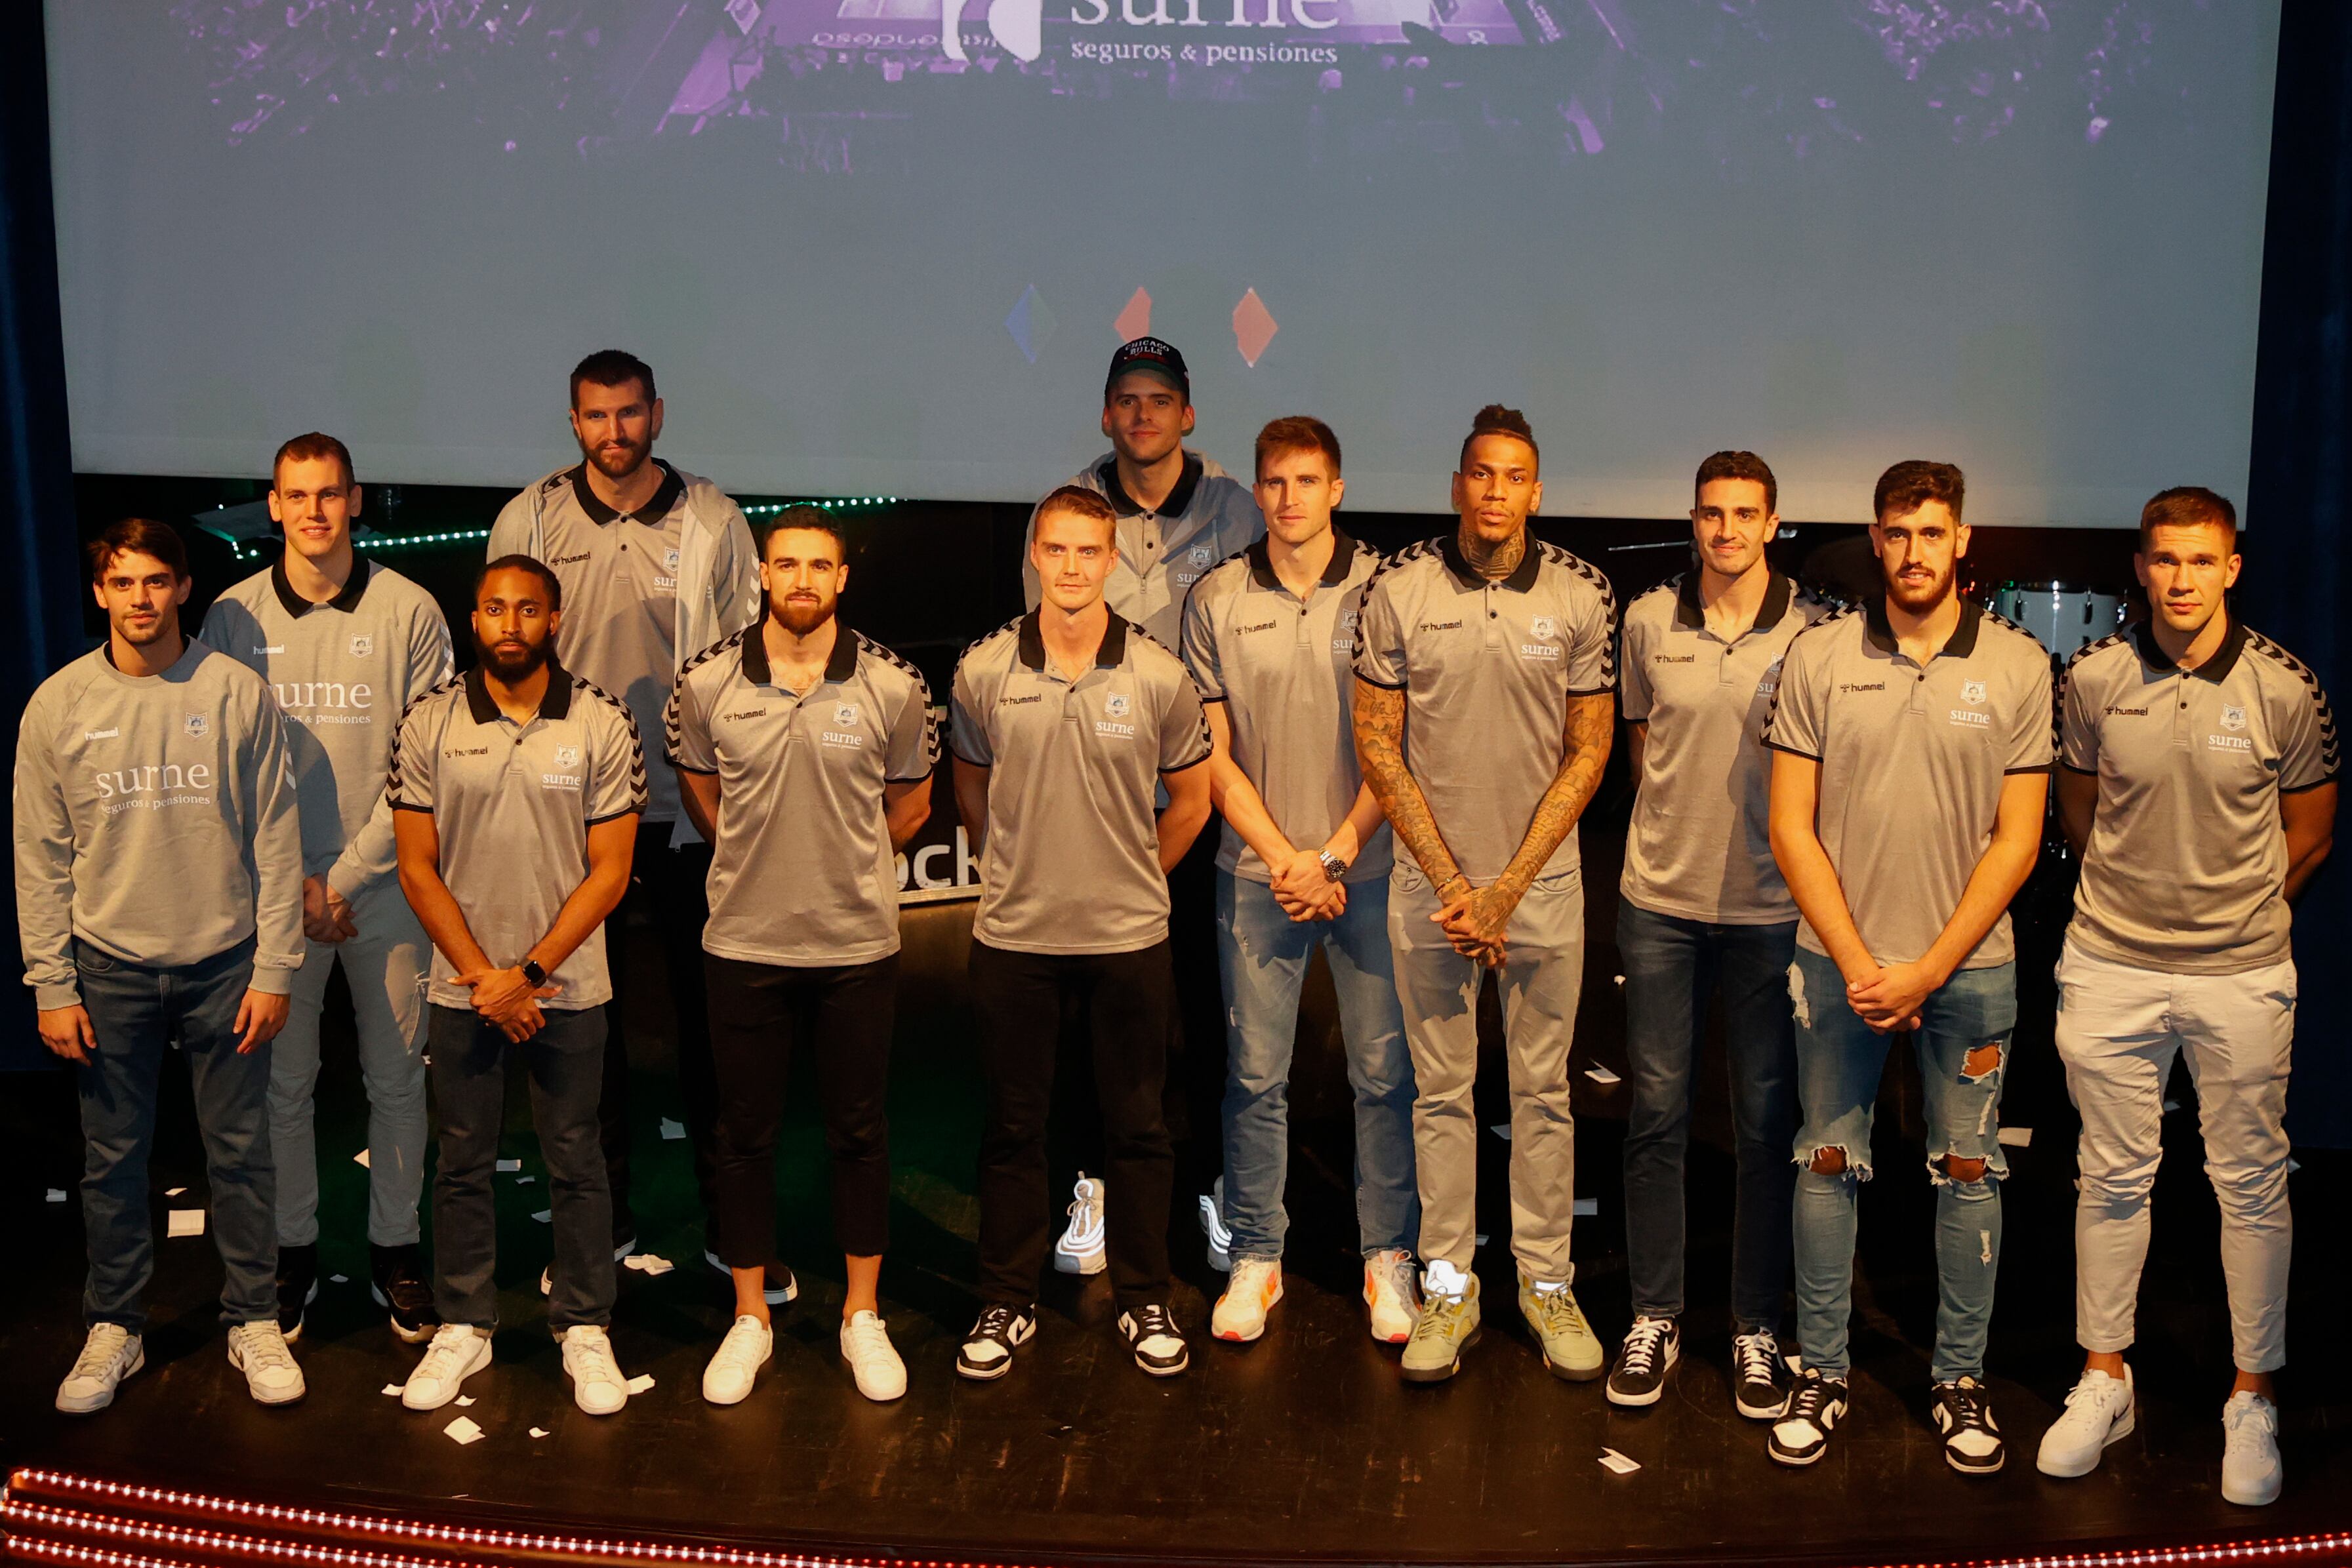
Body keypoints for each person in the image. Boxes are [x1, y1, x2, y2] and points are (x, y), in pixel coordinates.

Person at [2035, 488, 2335, 1506]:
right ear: (2139, 566)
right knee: (2109, 1177)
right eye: (2163, 561)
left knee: (2248, 1182)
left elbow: (2311, 833)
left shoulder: (2285, 688)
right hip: (2109, 965)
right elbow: (2076, 806)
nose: (2179, 580)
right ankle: (2103, 1377)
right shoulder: (2093, 677)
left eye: (2199, 562)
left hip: (2240, 974)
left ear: (2231, 568)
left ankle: (2251, 1397)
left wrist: (2234, 919)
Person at [1762, 460, 2052, 1474]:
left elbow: (2016, 842)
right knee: (1826, 1161)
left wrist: (1924, 970)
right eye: (1896, 532)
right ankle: (1824, 1371)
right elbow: (1787, 826)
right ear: (1874, 540)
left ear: (1961, 540)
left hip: (1967, 973)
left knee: (1967, 1172)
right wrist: (1857, 961)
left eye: (1932, 533)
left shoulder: (2017, 667)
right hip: (1836, 970)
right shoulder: (1815, 656)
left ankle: (1957, 1380)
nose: (1914, 551)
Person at [1352, 405, 1617, 1386]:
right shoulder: (1399, 587)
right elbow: (1377, 740)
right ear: (1457, 485)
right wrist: (1458, 884)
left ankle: (1546, 1282)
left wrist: (1504, 889)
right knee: (1441, 1097)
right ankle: (1449, 1288)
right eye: (1479, 473)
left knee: (1543, 1095)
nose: (1495, 490)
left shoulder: (1583, 594)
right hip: (1431, 889)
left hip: (1539, 889)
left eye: (1513, 476)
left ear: (1534, 492)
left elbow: (1590, 751)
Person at [487, 350, 763, 1281]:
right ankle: (598, 1237)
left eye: (629, 414)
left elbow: (744, 666)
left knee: (709, 1031)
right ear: (573, 422)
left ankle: (734, 1237)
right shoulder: (527, 518)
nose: (614, 433)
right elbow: (501, 648)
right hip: (569, 814)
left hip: (686, 812)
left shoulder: (713, 518)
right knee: (578, 1036)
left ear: (658, 413)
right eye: (595, 417)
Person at [18, 518, 306, 1412]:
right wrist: (51, 983)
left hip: (226, 967)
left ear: (184, 589)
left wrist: (274, 968)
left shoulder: (236, 693)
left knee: (242, 1154)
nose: (139, 599)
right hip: (108, 971)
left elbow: (275, 836)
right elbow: (40, 854)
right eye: (122, 583)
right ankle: (116, 1326)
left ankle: (253, 1317)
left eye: (155, 582)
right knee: (113, 1161)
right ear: (98, 593)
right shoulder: (58, 704)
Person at [665, 508, 938, 1405]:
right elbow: (700, 792)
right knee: (744, 1137)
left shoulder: (894, 685)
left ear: (842, 579)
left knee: (858, 1132)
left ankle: (862, 1316)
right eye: (787, 565)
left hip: (855, 944)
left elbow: (910, 804)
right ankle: (752, 1319)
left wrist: (842, 866)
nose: (803, 582)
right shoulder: (704, 682)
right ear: (763, 575)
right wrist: (754, 858)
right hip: (743, 943)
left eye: (819, 567)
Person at [951, 486, 1213, 1380]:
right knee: (1014, 1128)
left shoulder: (1157, 673)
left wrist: (1133, 878)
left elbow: (1192, 801)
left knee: (1138, 1127)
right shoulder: (983, 669)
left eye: (1086, 553)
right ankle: (1006, 1300)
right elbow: (972, 789)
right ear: (1035, 554)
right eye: (1055, 551)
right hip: (1015, 940)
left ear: (1110, 562)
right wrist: (1021, 867)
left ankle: (1145, 1300)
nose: (1070, 569)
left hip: (1128, 939)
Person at [201, 433, 454, 1345]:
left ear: (354, 501)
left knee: (395, 1081)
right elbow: (221, 769)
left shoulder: (411, 610)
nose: (312, 511)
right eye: (295, 495)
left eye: (328, 494)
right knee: (284, 1086)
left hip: (384, 887)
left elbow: (423, 765)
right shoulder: (230, 619)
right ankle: (292, 1252)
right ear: (273, 505)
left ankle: (396, 1249)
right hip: (274, 899)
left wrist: (340, 878)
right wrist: (294, 885)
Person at [1021, 336, 1264, 1271]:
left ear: (1188, 415)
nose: (1142, 415)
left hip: (1199, 795)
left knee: (1197, 1010)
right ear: (1105, 415)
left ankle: (1206, 1184)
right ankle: (1091, 1185)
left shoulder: (1235, 509)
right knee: (1090, 1012)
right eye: (1125, 399)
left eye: (1159, 399)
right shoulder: (1068, 513)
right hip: (1096, 806)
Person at [1179, 416, 1419, 1346]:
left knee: (1381, 1077)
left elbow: (1400, 747)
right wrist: (1285, 857)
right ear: (1258, 489)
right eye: (1273, 482)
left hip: (1368, 869)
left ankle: (1385, 1258)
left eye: (1306, 481)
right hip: (1256, 873)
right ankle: (1256, 1257)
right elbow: (1210, 750)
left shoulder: (1390, 590)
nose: (1288, 499)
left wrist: (1335, 855)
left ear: (1337, 489)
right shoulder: (1215, 596)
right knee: (1252, 1078)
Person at [389, 555, 646, 1417]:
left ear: (554, 619)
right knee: (461, 1161)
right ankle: (465, 1323)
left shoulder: (604, 722)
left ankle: (584, 1324)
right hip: (465, 987)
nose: (509, 624)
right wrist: (482, 979)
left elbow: (611, 873)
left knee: (576, 1158)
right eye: (494, 609)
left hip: (568, 988)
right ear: (475, 619)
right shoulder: (426, 721)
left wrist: (528, 974)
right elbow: (416, 866)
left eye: (526, 610)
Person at [1608, 451, 1823, 1414]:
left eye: (1744, 514)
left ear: (1772, 522)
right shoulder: (1649, 620)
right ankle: (1653, 1316)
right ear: (1691, 521)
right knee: (1654, 1117)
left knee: (1763, 1125)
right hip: (1658, 905)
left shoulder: (1818, 632)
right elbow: (1641, 745)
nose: (1726, 529)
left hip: (1773, 914)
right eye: (1710, 514)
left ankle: (1751, 1330)